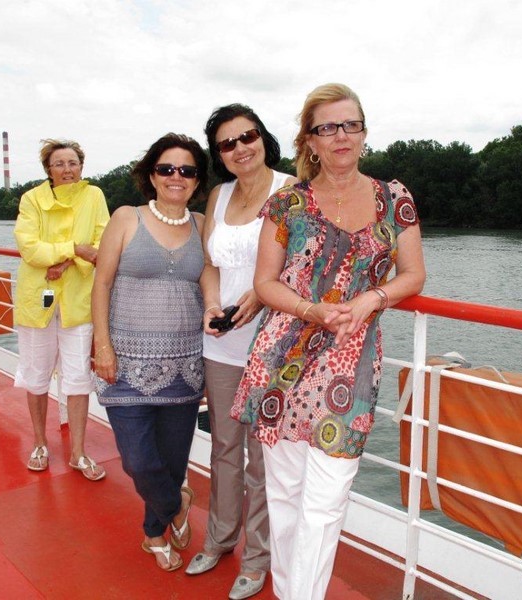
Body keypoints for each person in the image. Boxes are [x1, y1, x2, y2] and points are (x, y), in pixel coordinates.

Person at [231, 83, 426, 599]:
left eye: (350, 125)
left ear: (364, 133)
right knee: (286, 495)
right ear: (310, 141)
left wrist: (371, 300)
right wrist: (311, 309)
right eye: (328, 127)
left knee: (326, 500)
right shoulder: (287, 203)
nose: (341, 136)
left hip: (350, 362)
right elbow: (265, 283)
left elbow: (413, 275)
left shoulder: (394, 198)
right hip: (281, 359)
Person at [187, 104, 296, 600]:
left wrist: (259, 295)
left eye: (247, 136)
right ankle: (219, 537)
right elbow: (209, 263)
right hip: (222, 341)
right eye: (227, 143)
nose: (240, 148)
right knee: (224, 447)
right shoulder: (220, 194)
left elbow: (298, 265)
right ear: (219, 154)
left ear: (263, 138)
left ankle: (257, 558)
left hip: (272, 342)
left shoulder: (292, 190)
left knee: (262, 458)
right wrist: (212, 304)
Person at [92, 133, 208, 572]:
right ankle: (177, 505)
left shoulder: (202, 224)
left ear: (197, 180)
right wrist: (102, 345)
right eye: (166, 168)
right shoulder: (126, 217)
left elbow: (215, 276)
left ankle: (154, 533)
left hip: (185, 364)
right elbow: (101, 283)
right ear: (152, 175)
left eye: (187, 170)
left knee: (172, 460)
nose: (177, 177)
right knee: (139, 460)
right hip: (124, 362)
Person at [13, 138, 110, 481]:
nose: (67, 169)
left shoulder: (94, 196)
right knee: (37, 374)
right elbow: (30, 247)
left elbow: (102, 243)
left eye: (73, 163)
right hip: (37, 297)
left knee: (78, 377)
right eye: (59, 164)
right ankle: (40, 443)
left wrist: (68, 261)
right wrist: (74, 249)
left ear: (81, 166)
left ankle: (78, 453)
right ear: (48, 169)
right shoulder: (32, 199)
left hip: (78, 300)